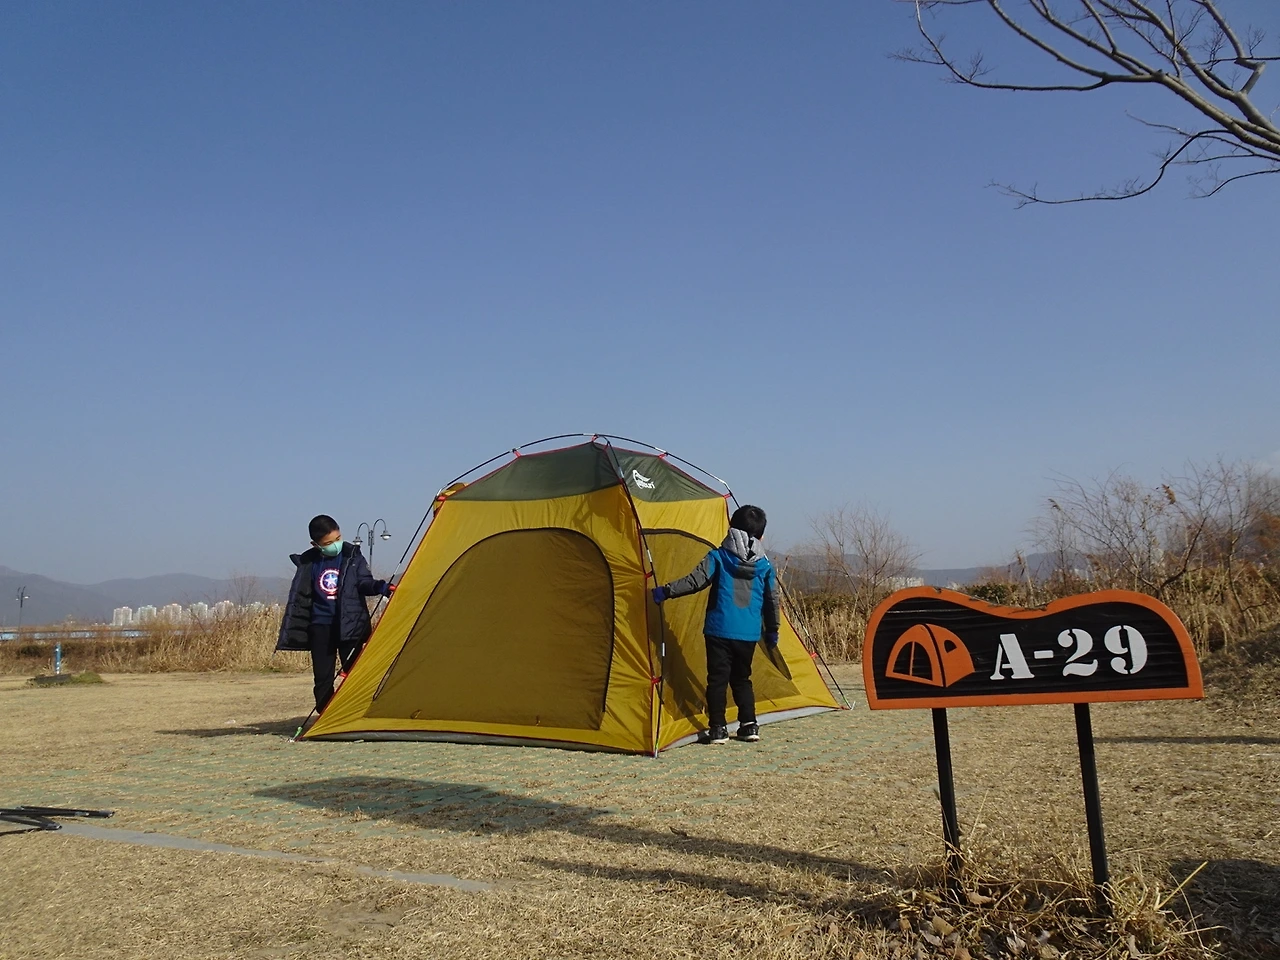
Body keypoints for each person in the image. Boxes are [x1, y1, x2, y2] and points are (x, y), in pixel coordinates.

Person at [651, 504, 779, 744]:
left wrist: (665, 591)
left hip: (719, 630)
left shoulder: (718, 557)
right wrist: (772, 630)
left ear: (731, 528)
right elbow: (772, 600)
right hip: (748, 633)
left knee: (717, 680)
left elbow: (695, 581)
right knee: (742, 678)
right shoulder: (765, 566)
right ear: (761, 536)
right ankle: (749, 725)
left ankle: (718, 728)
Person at [276, 515, 394, 713]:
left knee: (354, 673)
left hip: (350, 625)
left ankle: (357, 712)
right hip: (320, 627)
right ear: (315, 544)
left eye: (338, 538)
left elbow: (364, 582)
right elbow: (302, 597)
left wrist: (381, 587)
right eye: (328, 543)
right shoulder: (308, 563)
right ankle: (326, 716)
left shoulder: (352, 556)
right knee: (323, 678)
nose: (335, 545)